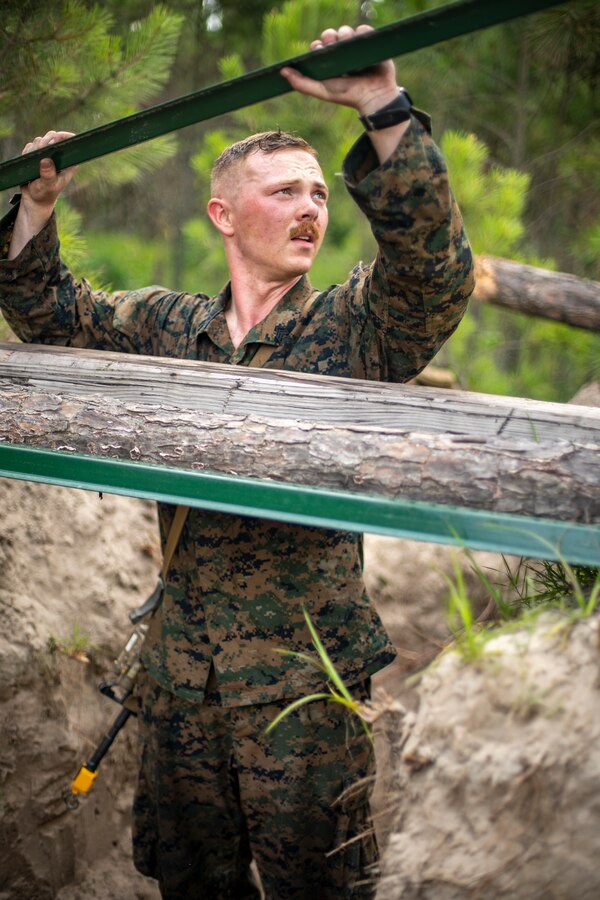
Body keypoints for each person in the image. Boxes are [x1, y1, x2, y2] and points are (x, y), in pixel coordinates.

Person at [0, 24, 474, 900]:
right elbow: (51, 316)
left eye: (319, 192)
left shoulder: (349, 328)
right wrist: (35, 206)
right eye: (283, 190)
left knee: (321, 889)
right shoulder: (167, 329)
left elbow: (432, 279)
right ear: (223, 213)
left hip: (303, 688)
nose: (310, 208)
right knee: (190, 884)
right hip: (180, 685)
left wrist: (382, 109)